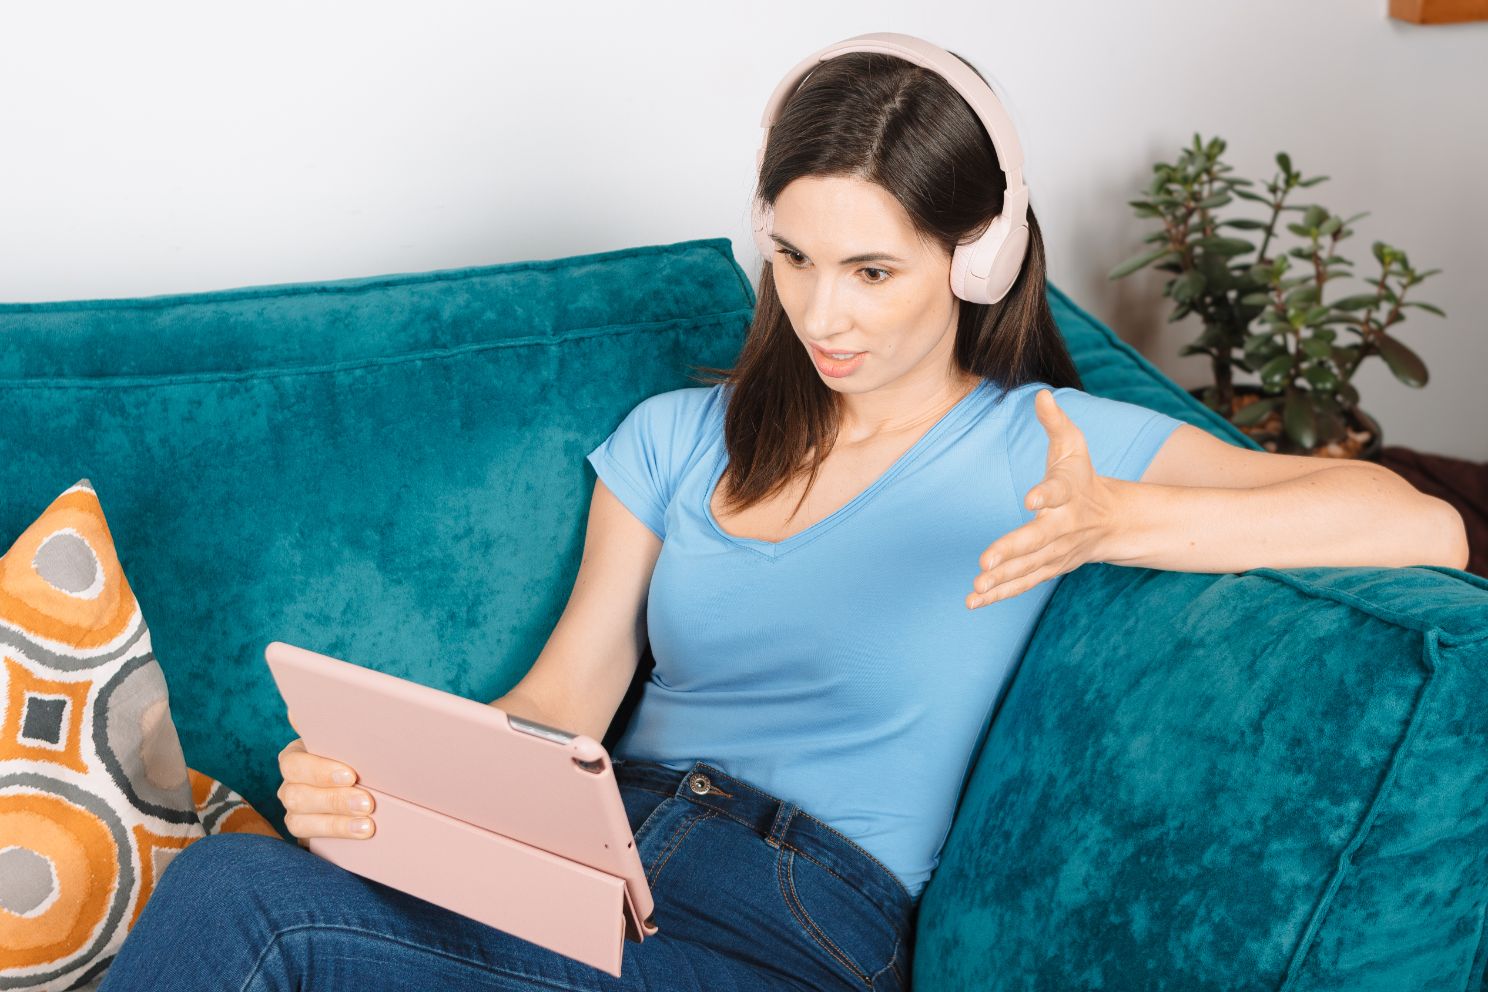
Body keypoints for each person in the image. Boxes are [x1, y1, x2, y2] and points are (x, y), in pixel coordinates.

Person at [98, 31, 1466, 992]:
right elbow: (569, 694)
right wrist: (396, 787)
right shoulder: (676, 440)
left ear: (974, 256)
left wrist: (1126, 526)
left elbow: (1421, 529)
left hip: (793, 925)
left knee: (244, 913)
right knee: (246, 880)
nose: (824, 314)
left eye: (873, 269)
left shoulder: (1042, 451)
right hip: (595, 859)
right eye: (797, 259)